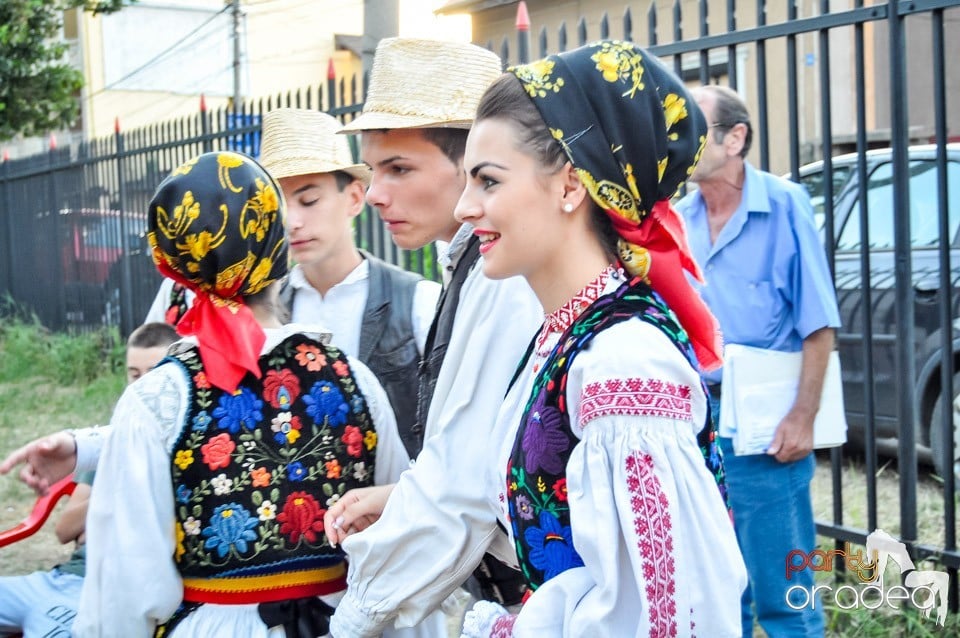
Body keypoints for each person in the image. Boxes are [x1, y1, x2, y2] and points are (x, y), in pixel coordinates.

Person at [329, 41, 745, 637]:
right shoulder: (565, 337)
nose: (467, 207)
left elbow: (671, 617)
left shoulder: (623, 363)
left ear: (571, 185)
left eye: (489, 181)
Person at [69, 151, 416, 637]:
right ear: (277, 246)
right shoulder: (352, 378)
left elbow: (123, 586)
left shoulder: (161, 398)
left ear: (176, 264)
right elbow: (400, 538)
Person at [328, 37, 543, 610]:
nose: (374, 194)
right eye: (373, 170)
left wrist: (360, 616)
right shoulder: (469, 265)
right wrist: (401, 496)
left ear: (474, 165)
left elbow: (471, 486)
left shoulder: (506, 280)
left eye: (399, 168)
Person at [675, 84, 840, 637]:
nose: (680, 142)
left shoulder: (784, 203)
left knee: (785, 595)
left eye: (693, 130)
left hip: (766, 425)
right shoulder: (678, 217)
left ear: (735, 137)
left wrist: (803, 416)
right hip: (696, 424)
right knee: (720, 594)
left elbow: (818, 322)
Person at [260, 107, 440, 459]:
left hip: (398, 506)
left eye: (309, 200)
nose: (292, 221)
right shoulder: (269, 312)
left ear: (355, 198)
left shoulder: (418, 302)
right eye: (278, 204)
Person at [0, 322, 178, 638]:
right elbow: (65, 529)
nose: (141, 385)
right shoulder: (113, 443)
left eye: (153, 374)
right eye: (134, 375)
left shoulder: (188, 455)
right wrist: (118, 484)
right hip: (59, 579)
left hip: (100, 596)